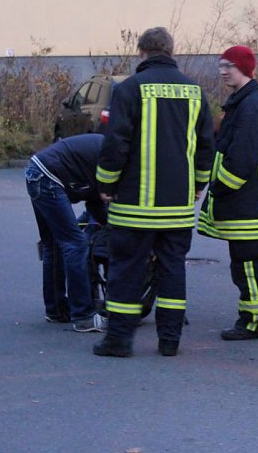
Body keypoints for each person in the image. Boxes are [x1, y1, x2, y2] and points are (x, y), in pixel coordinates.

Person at [93, 27, 214, 358]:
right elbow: (206, 146)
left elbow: (115, 143)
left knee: (126, 272)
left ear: (142, 52)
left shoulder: (129, 89)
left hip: (133, 207)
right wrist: (199, 185)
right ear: (172, 52)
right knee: (172, 270)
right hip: (177, 208)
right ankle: (170, 341)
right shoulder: (195, 92)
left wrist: (106, 184)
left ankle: (118, 340)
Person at [198, 45, 258, 341]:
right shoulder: (244, 102)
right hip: (243, 200)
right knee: (251, 262)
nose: (222, 71)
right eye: (221, 65)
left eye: (228, 65)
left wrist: (220, 187)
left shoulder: (251, 105)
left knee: (246, 264)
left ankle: (254, 321)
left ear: (244, 67)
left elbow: (243, 156)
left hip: (244, 201)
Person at [26, 133, 108, 332]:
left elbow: (95, 201)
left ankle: (56, 309)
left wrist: (109, 224)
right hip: (49, 177)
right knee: (76, 244)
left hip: (37, 172)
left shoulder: (109, 150)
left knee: (53, 245)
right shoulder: (116, 157)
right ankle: (83, 316)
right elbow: (104, 195)